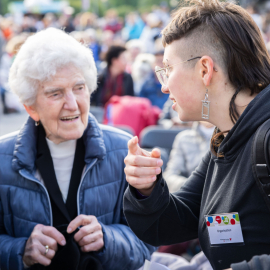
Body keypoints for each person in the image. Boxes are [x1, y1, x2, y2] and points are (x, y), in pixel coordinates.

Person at [123, 0, 270, 269]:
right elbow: (177, 221)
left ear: (205, 69)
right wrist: (147, 189)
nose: (164, 87)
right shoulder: (225, 138)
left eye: (167, 70)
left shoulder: (265, 138)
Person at [0, 27, 155, 270]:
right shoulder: (2, 158)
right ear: (31, 107)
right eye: (55, 93)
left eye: (79, 88)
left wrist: (108, 238)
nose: (72, 104)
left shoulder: (123, 150)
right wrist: (20, 250)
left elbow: (148, 240)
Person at [164, 121, 214, 193]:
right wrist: (192, 186)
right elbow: (169, 176)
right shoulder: (183, 138)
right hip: (192, 195)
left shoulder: (228, 138)